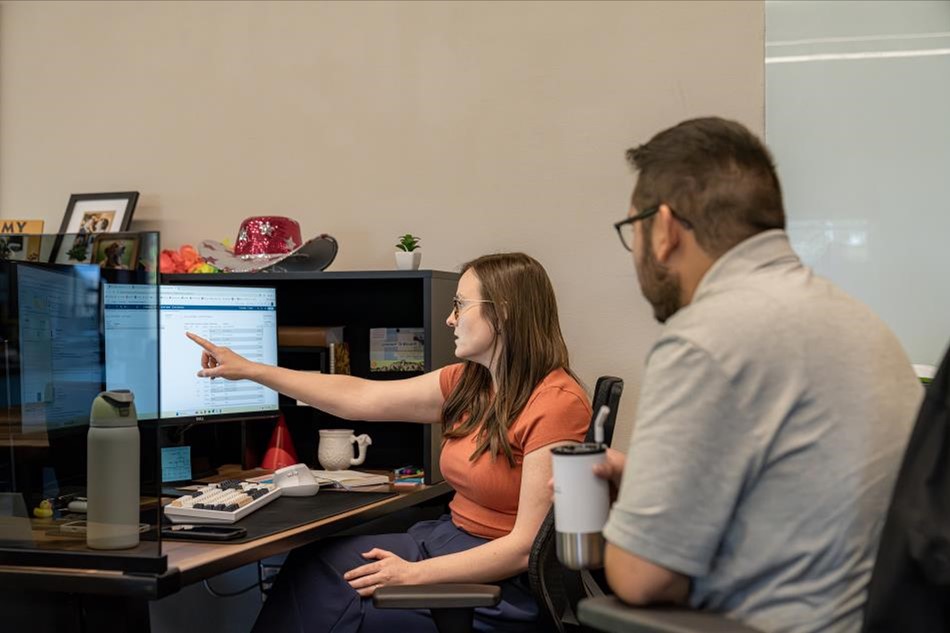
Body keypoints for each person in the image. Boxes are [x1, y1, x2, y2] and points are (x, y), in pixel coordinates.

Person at [596, 117, 922, 632]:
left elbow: (641, 578)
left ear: (662, 229)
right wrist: (647, 482)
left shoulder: (706, 338)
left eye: (631, 231)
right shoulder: (857, 320)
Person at [187, 252, 591, 633]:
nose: (450, 319)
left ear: (502, 312)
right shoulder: (471, 383)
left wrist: (413, 574)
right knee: (314, 560)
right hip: (446, 540)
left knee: (335, 588)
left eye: (460, 306)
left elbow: (524, 548)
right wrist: (253, 370)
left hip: (499, 580)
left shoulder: (555, 403)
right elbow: (360, 397)